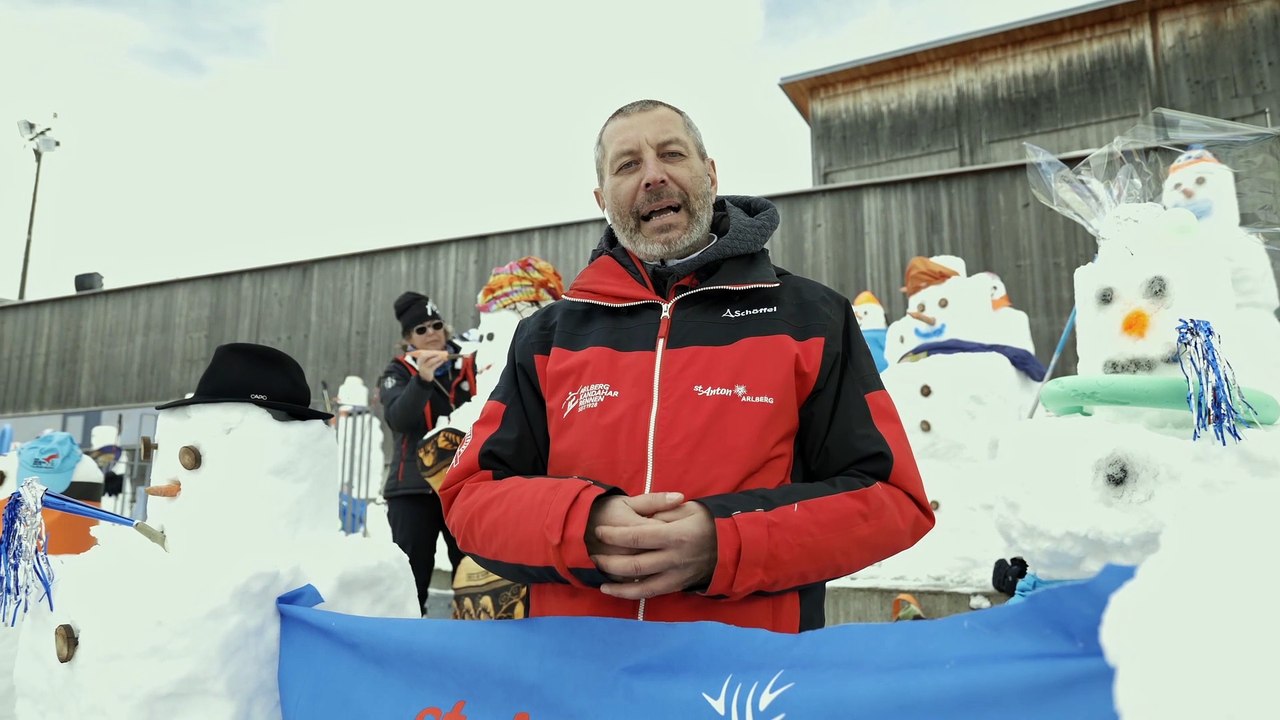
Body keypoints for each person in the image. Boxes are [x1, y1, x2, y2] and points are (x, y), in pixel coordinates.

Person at [440, 100, 934, 632]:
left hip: (749, 672)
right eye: (628, 164)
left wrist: (726, 541)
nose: (653, 175)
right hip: (583, 668)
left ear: (711, 173)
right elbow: (470, 499)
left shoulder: (811, 318)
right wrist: (584, 525)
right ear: (603, 199)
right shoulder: (548, 336)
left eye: (672, 154)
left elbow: (891, 499)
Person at [378, 291, 473, 614]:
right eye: (421, 329)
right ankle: (405, 637)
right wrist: (422, 380)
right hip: (413, 489)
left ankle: (474, 635)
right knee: (410, 579)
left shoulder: (468, 363)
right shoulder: (397, 372)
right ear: (408, 338)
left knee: (474, 570)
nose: (431, 333)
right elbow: (399, 419)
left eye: (436, 325)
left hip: (461, 486)